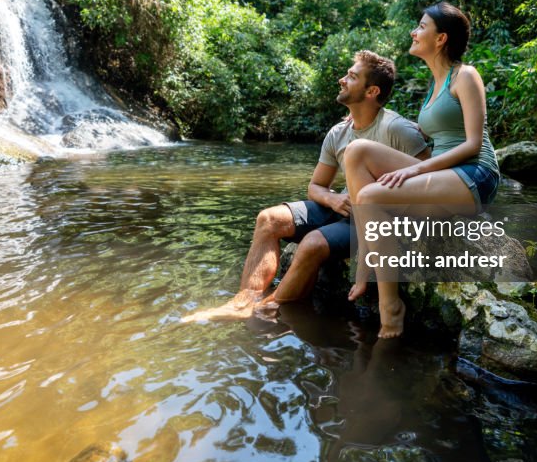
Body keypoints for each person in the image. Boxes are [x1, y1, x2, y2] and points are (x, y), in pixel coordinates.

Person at [182, 50, 428, 322]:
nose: (341, 79)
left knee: (311, 244)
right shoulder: (339, 132)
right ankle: (244, 301)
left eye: (352, 76)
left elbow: (432, 179)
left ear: (372, 91)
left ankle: (269, 307)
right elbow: (316, 187)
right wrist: (333, 200)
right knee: (268, 219)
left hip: (374, 221)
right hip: (344, 207)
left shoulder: (397, 129)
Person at [344, 2, 500, 339]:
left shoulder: (466, 75)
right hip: (444, 175)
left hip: (475, 174)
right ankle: (365, 261)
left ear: (441, 38)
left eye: (421, 26)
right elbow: (428, 133)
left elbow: (472, 144)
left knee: (371, 196)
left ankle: (391, 308)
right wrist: (366, 115)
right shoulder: (434, 85)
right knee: (356, 151)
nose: (414, 33)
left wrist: (416, 172)